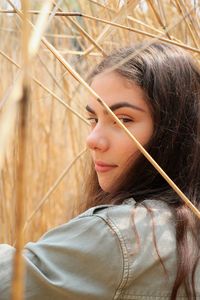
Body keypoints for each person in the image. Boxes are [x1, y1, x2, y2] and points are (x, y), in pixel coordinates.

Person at [0, 42, 200, 300]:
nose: (92, 140)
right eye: (93, 119)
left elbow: (7, 283)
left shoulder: (126, 235)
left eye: (123, 120)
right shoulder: (186, 225)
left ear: (175, 133)